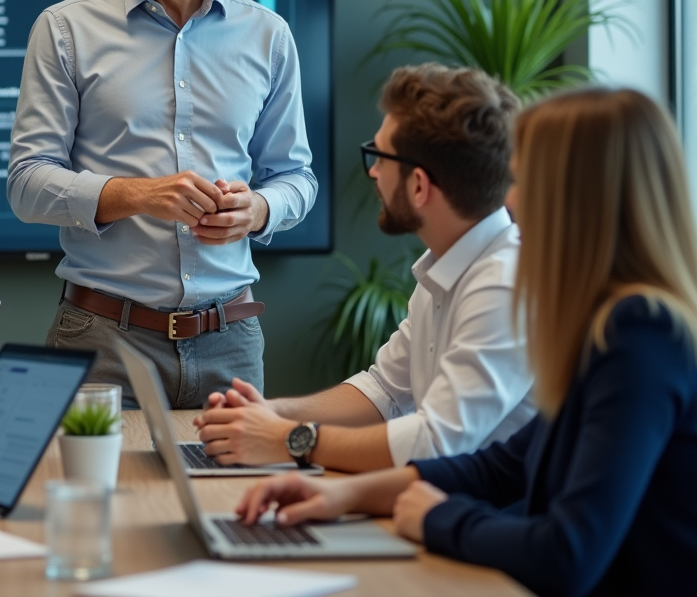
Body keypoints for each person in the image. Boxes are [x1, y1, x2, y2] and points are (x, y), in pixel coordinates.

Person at [236, 87, 697, 597]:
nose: (511, 198)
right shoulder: (605, 323)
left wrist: (438, 519)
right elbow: (506, 466)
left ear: (577, 199)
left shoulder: (641, 335)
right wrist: (342, 496)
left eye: (523, 180)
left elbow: (569, 554)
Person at [7, 0, 317, 408]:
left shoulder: (267, 35)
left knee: (234, 497)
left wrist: (259, 209)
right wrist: (139, 194)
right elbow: (26, 185)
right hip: (102, 339)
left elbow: (297, 178)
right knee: (99, 496)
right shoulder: (65, 29)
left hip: (233, 340)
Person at [195, 64, 535, 472]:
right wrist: (269, 412)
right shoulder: (444, 269)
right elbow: (384, 391)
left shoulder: (504, 285)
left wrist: (290, 440)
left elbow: (436, 442)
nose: (372, 171)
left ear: (420, 186)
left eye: (379, 157)